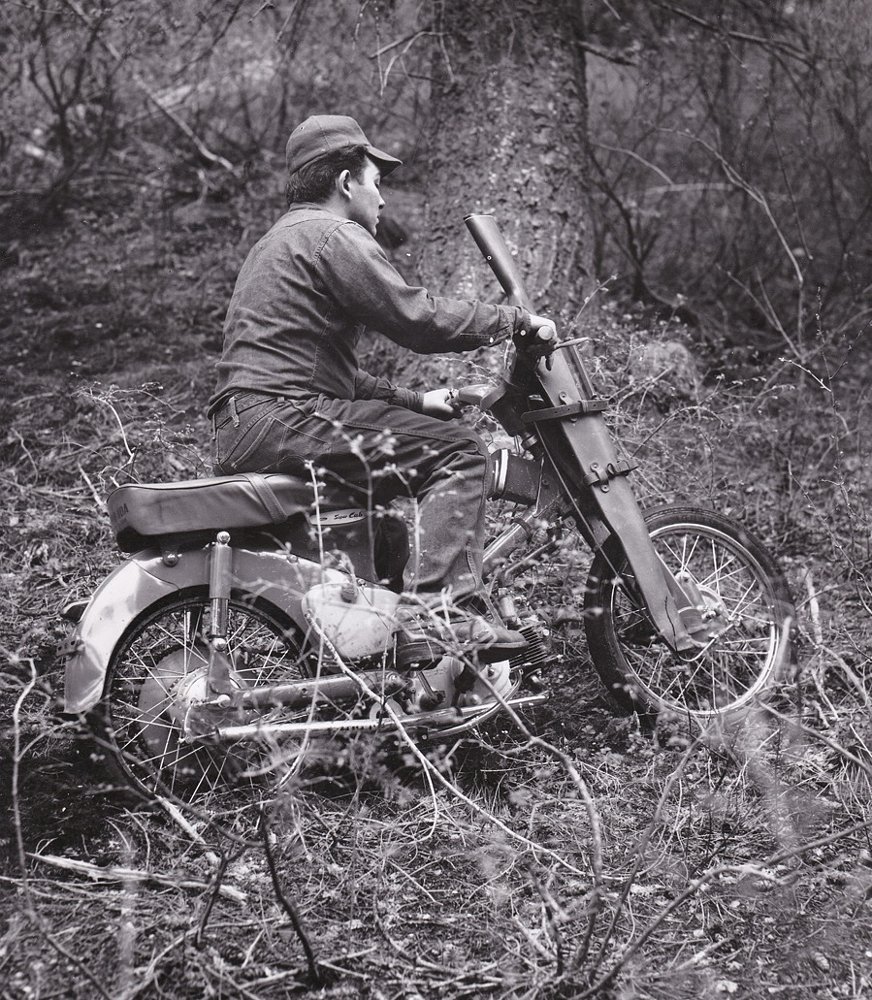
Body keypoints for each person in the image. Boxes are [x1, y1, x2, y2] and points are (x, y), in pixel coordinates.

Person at [208, 114, 555, 659]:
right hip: (285, 417)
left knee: (389, 527)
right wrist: (512, 321)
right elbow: (414, 318)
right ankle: (440, 616)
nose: (383, 199)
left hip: (248, 423)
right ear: (346, 183)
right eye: (377, 181)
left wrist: (416, 401)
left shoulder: (277, 243)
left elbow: (329, 372)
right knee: (462, 452)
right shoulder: (333, 235)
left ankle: (390, 654)